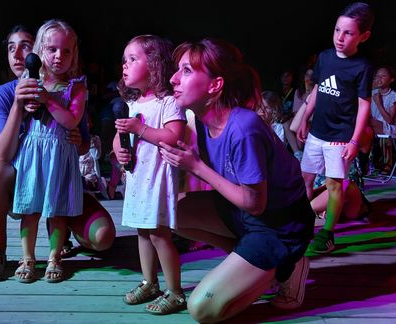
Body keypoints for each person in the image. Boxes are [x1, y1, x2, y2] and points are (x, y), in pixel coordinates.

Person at [159, 38, 314, 322]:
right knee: (174, 214)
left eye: (187, 71)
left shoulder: (243, 128)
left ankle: (285, 266)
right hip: (244, 216)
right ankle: (253, 262)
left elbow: (256, 204)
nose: (173, 78)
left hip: (278, 225)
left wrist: (196, 167)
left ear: (215, 86)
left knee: (202, 309)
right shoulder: (204, 120)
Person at [0, 23, 115, 284]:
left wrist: (76, 139)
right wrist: (19, 103)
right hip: (25, 171)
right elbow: (2, 155)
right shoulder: (3, 94)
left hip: (61, 169)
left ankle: (59, 249)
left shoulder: (72, 88)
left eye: (25, 48)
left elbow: (82, 138)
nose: (19, 55)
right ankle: (2, 250)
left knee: (102, 236)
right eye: (11, 48)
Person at [112, 34, 187, 315]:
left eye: (133, 59)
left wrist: (138, 129)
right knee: (142, 233)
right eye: (124, 60)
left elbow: (173, 135)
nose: (125, 65)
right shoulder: (132, 104)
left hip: (157, 179)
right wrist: (119, 151)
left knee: (159, 235)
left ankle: (176, 291)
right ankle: (149, 282)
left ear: (154, 64)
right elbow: (118, 140)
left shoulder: (167, 101)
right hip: (137, 179)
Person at [295, 2, 375, 253]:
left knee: (334, 185)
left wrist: (353, 140)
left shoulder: (362, 67)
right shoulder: (325, 57)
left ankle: (327, 234)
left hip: (340, 137)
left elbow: (364, 106)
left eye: (348, 33)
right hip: (317, 132)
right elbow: (319, 88)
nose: (340, 38)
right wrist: (305, 116)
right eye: (337, 30)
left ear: (363, 36)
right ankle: (300, 226)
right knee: (305, 178)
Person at [369, 66, 396, 174]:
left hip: (388, 126)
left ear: (391, 79)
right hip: (373, 125)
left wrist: (378, 102)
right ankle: (367, 161)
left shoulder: (394, 96)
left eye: (383, 76)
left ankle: (387, 164)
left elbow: (389, 120)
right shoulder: (372, 93)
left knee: (366, 124)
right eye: (377, 76)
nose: (379, 79)